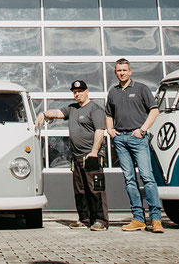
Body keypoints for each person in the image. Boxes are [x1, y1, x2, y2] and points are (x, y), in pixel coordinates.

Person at [35, 80, 109, 231]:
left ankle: (101, 221)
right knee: (80, 191)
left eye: (80, 91)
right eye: (75, 92)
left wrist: (94, 153)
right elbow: (57, 113)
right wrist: (43, 113)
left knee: (96, 190)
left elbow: (99, 131)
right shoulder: (73, 109)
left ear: (87, 91)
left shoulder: (95, 109)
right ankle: (84, 219)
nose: (77, 94)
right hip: (76, 158)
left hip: (91, 156)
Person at [106, 58, 163, 233]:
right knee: (129, 179)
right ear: (115, 72)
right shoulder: (113, 92)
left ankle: (156, 219)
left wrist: (142, 130)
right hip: (120, 139)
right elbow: (109, 113)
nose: (121, 73)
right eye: (118, 70)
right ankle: (138, 218)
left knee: (147, 177)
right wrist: (110, 131)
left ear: (130, 71)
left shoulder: (141, 88)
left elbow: (154, 110)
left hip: (137, 138)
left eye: (124, 70)